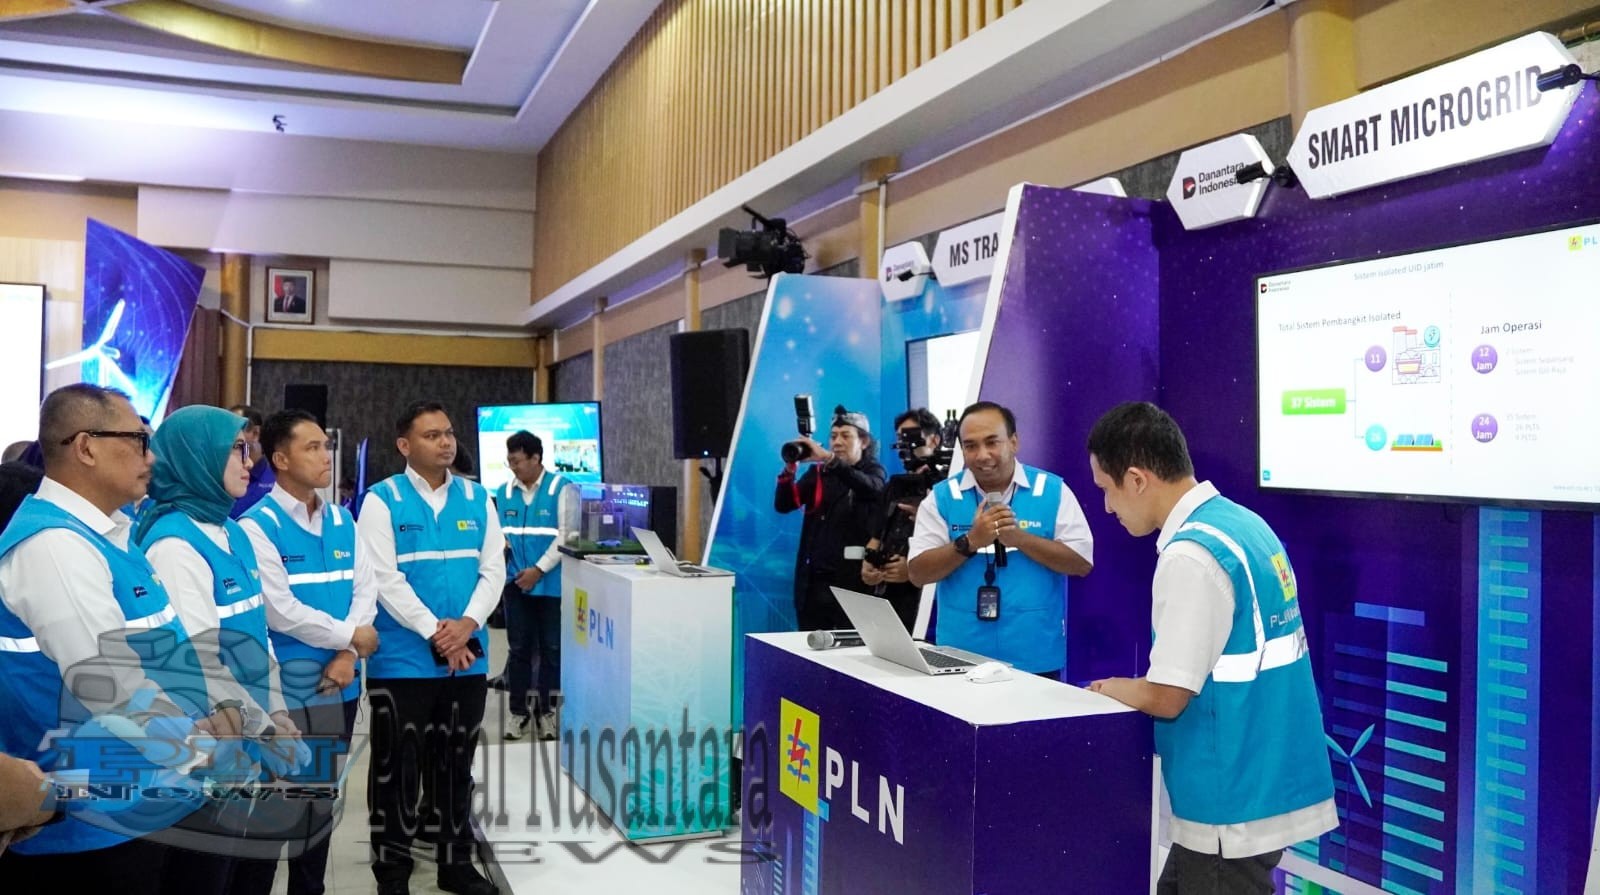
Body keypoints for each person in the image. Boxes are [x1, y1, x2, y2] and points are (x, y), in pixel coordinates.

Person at [0, 384, 246, 892]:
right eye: (137, 440)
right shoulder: (55, 546)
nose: (150, 457)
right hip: (94, 823)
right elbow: (110, 685)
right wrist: (202, 749)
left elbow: (166, 650)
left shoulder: (110, 533)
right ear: (86, 447)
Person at [1084, 401, 1336, 894]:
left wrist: (1109, 689)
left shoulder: (1191, 556)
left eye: (1106, 489)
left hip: (1229, 800)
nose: (1108, 507)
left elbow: (1168, 695)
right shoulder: (1243, 525)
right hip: (1258, 781)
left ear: (1136, 480)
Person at [135, 404, 310, 894]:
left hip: (254, 733)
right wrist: (267, 728)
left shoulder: (232, 530)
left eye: (247, 448)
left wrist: (279, 712)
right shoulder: (174, 545)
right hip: (211, 746)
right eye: (234, 449)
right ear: (197, 456)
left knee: (252, 875)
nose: (248, 461)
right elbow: (198, 661)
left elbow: (258, 635)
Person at [358, 400, 502, 895]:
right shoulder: (381, 500)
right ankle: (392, 875)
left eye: (449, 433)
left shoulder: (477, 497)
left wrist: (467, 624)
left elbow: (493, 570)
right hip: (402, 663)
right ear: (405, 445)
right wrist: (438, 633)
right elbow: (384, 579)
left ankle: (454, 866)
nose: (446, 442)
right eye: (431, 435)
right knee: (396, 773)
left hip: (467, 660)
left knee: (454, 768)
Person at [239, 409, 380, 895]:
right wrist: (351, 637)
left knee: (319, 803)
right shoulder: (257, 526)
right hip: (289, 694)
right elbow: (281, 610)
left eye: (327, 446)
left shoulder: (343, 519)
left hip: (340, 685)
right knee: (277, 808)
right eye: (312, 447)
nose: (326, 456)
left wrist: (349, 653)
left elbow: (366, 589)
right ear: (280, 459)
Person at [907, 401, 1093, 678]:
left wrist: (1020, 538)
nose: (982, 455)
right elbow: (918, 573)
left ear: (1014, 442)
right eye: (970, 446)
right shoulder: (942, 497)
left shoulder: (1052, 490)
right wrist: (970, 541)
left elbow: (1081, 563)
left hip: (1035, 657)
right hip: (960, 657)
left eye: (992, 442)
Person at [774, 405, 886, 630]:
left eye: (846, 436)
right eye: (833, 436)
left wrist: (829, 459)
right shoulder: (819, 473)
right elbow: (784, 505)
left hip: (854, 585)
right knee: (810, 645)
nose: (837, 442)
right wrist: (789, 470)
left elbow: (871, 488)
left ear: (864, 442)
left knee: (851, 647)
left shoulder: (873, 471)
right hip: (814, 583)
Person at [495, 430, 576, 742]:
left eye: (517, 461)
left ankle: (547, 712)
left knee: (552, 649)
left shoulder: (561, 488)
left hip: (551, 584)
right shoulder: (504, 491)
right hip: (515, 584)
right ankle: (518, 712)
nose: (513, 467)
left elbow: (567, 535)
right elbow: (501, 533)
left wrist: (538, 570)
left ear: (535, 458)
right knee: (519, 649)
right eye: (509, 461)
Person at [860, 408, 946, 632]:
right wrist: (868, 565)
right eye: (900, 438)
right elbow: (876, 536)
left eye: (911, 436)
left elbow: (957, 545)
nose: (905, 445)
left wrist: (912, 570)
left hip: (926, 602)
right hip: (887, 597)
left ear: (934, 440)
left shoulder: (946, 488)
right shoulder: (894, 485)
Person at [229, 405, 275, 518]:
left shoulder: (278, 478)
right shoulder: (221, 472)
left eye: (233, 427)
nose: (225, 434)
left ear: (255, 433)